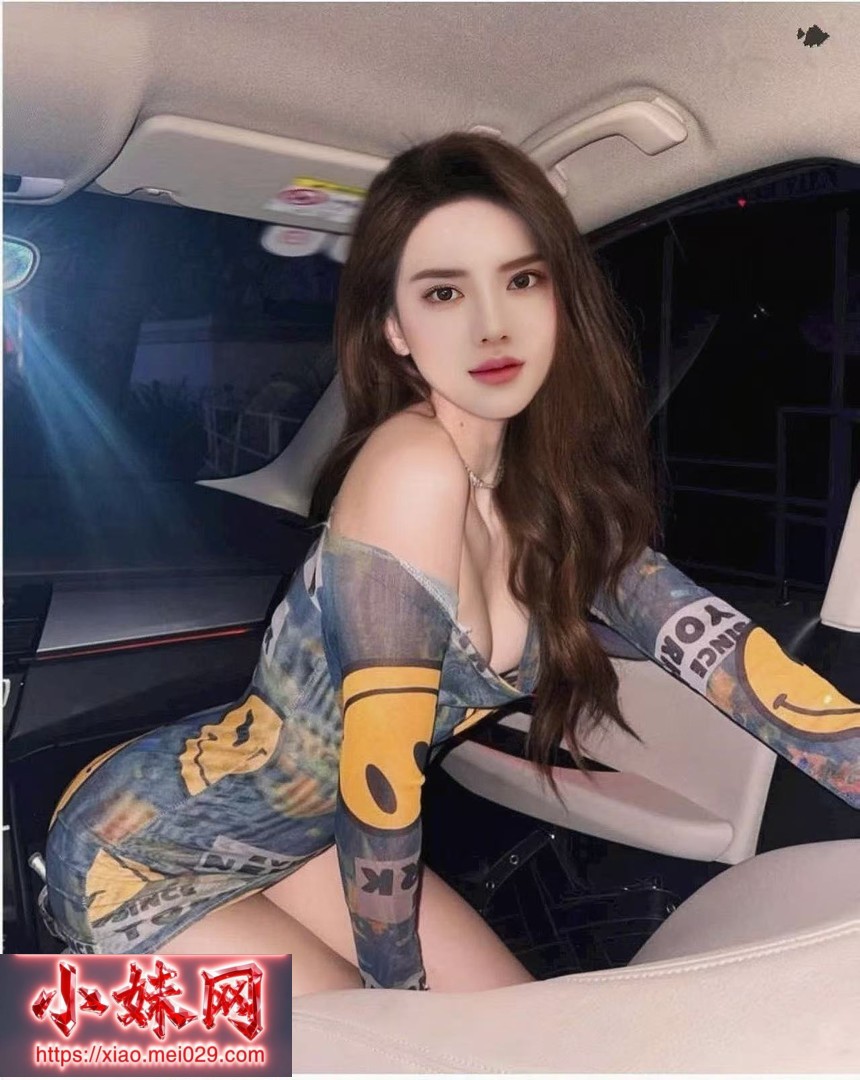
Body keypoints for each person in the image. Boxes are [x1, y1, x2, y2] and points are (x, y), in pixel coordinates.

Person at [43, 131, 859, 996]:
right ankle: (67, 1030)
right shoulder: (411, 467)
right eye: (443, 291)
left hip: (306, 845)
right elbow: (380, 787)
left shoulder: (551, 492)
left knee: (528, 1042)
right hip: (145, 855)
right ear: (395, 328)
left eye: (521, 280)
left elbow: (732, 663)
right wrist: (405, 1011)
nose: (491, 323)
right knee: (394, 1049)